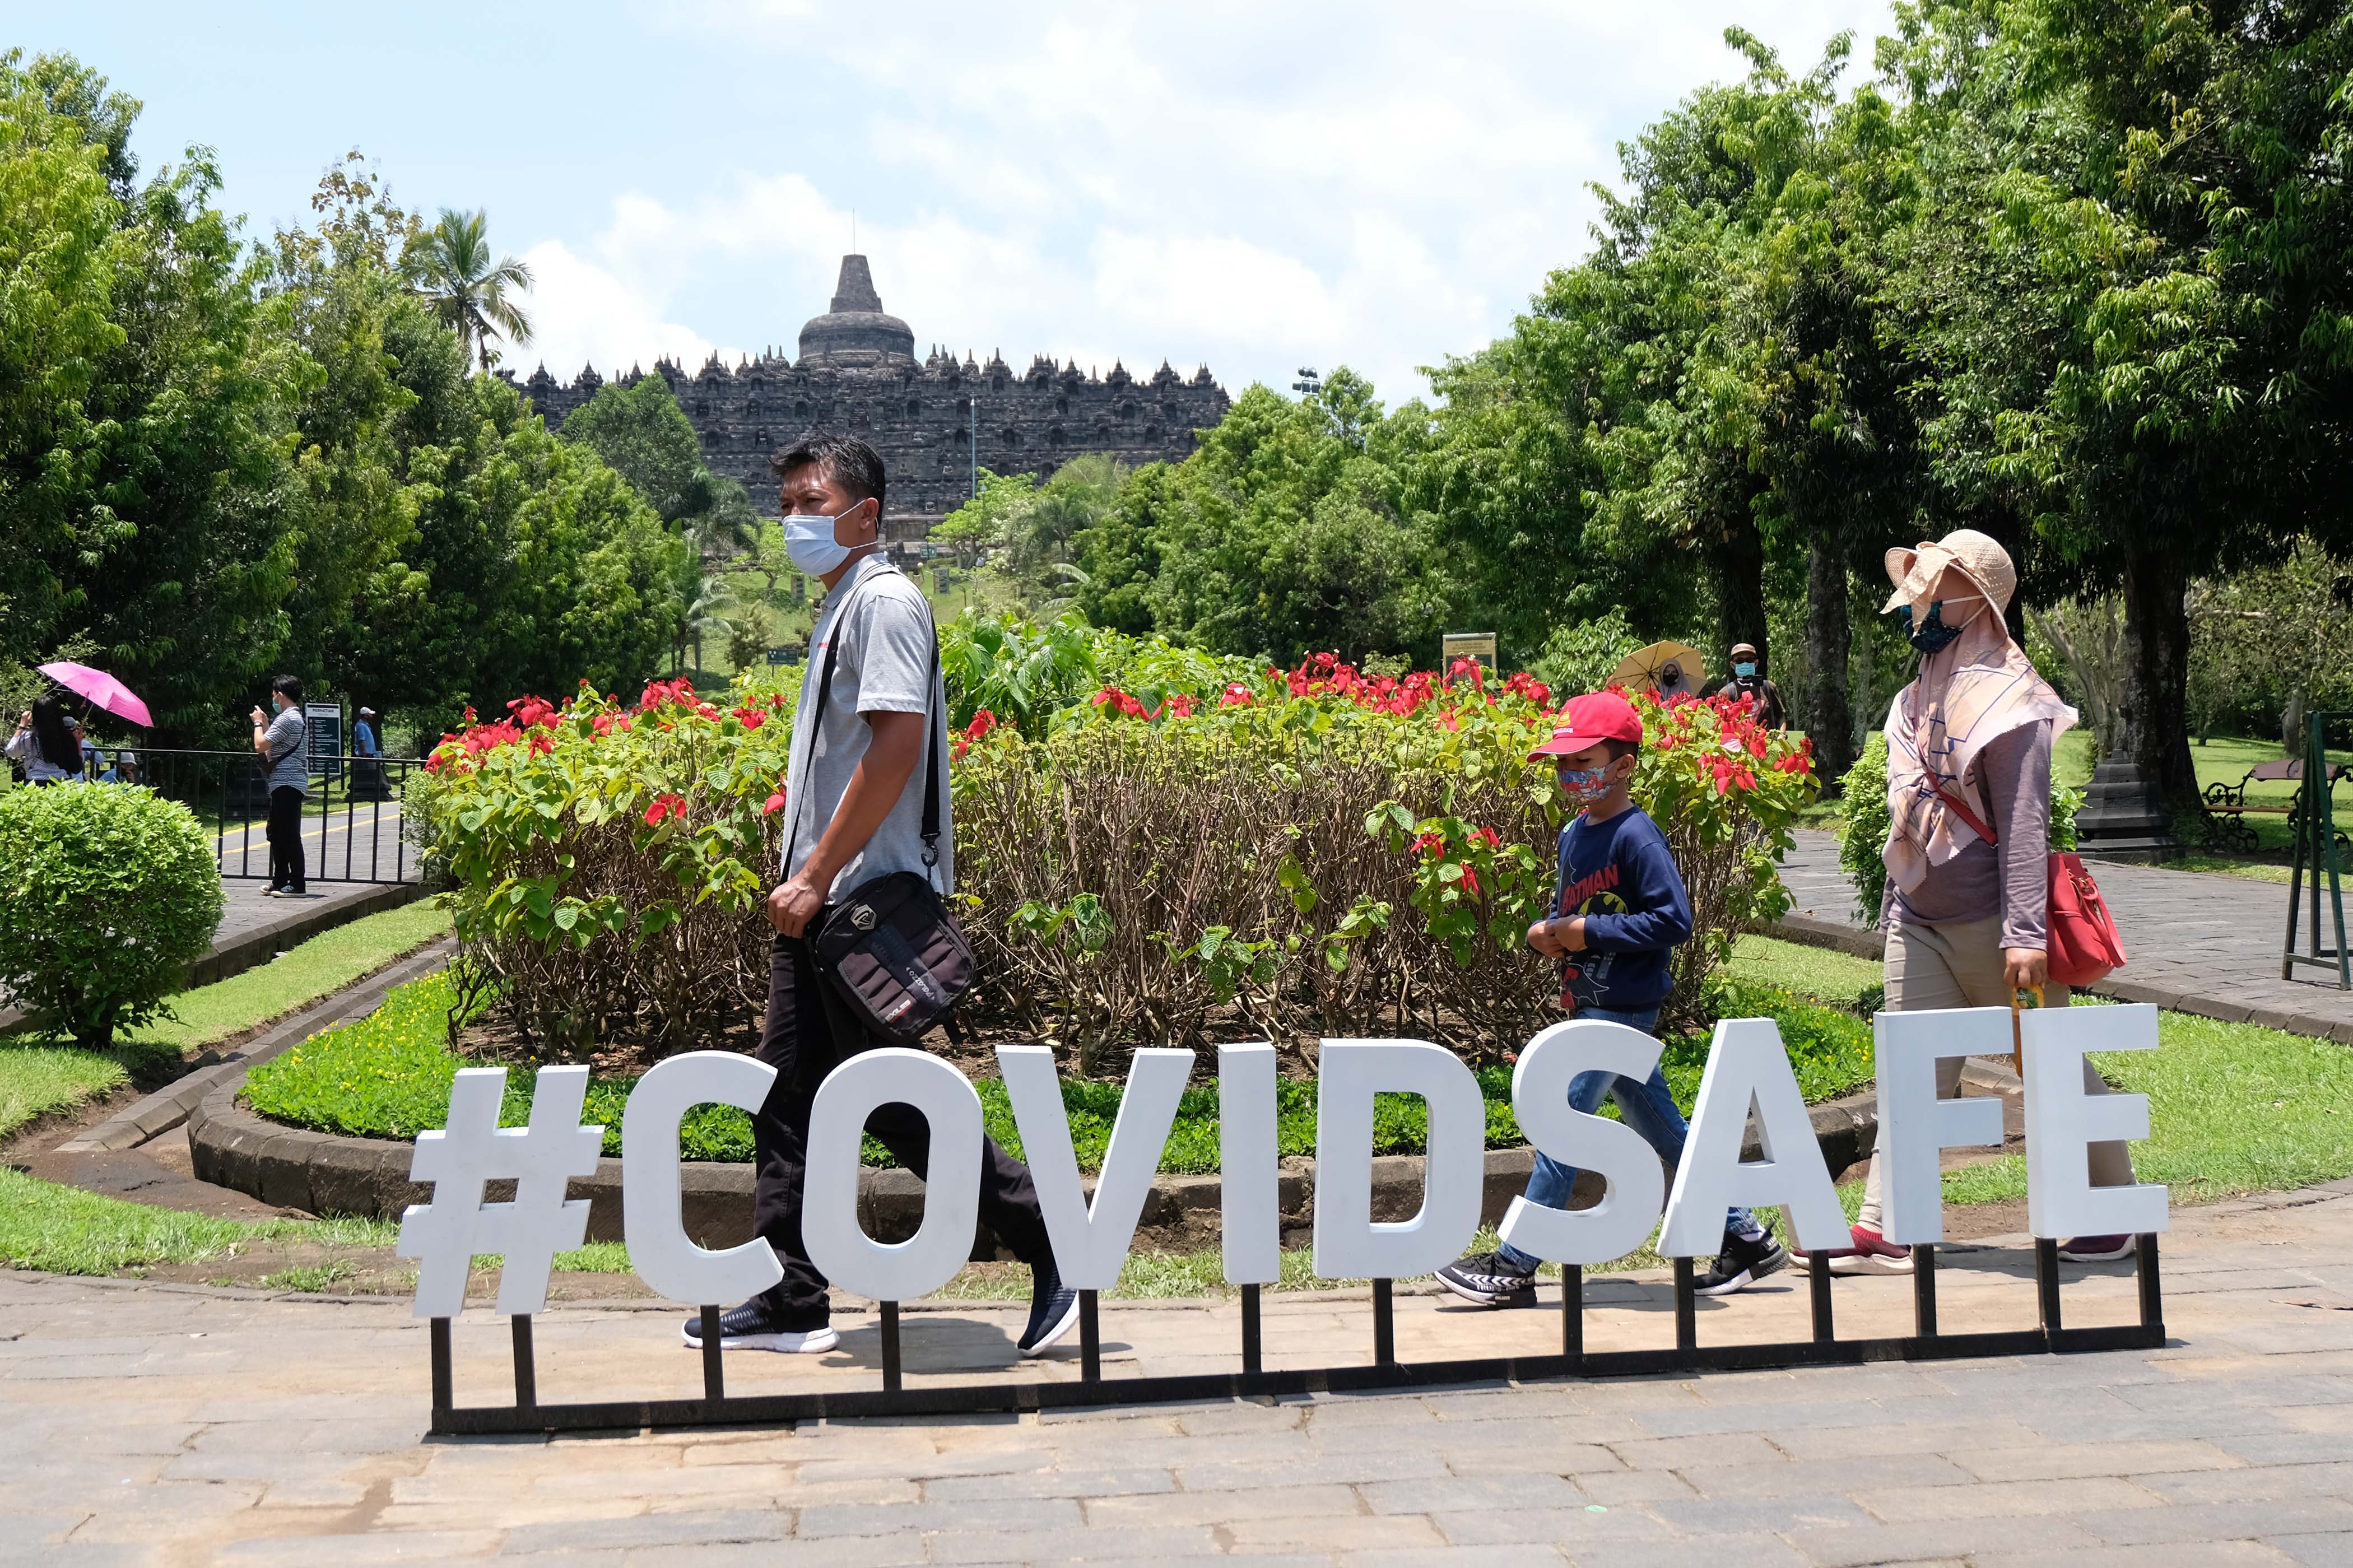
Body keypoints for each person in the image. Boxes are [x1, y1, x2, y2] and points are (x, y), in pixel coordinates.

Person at [685, 432, 1078, 1360]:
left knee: (889, 1100)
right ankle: (794, 1293)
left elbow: (897, 747)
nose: (792, 520)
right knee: (792, 1094)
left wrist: (816, 871)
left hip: (854, 901)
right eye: (783, 502)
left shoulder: (886, 602)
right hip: (822, 903)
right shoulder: (842, 605)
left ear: (865, 513)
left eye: (810, 502)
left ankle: (1053, 1236)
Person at [1794, 529, 2138, 1274]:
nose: (1919, 603)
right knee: (1909, 1070)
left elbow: (2024, 820)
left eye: (1934, 590)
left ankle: (2114, 1206)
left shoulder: (2014, 701)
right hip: (1921, 916)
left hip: (1995, 925)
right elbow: (1908, 812)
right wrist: (1897, 903)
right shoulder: (1919, 691)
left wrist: (2024, 932)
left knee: (2050, 1064)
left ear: (1974, 600)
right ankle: (1889, 1223)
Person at [1436, 690, 1789, 1307]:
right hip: (1590, 1002)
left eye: (1584, 760)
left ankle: (1515, 1265)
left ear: (1624, 764)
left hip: (1624, 1006)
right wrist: (1550, 933)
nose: (1571, 773)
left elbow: (1673, 920)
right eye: (1563, 763)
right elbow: (1569, 909)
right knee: (1665, 1131)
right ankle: (1747, 1235)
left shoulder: (1637, 836)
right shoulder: (1575, 834)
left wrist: (1586, 932)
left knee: (1567, 1122)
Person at [251, 676, 309, 897]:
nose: (272, 697)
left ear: (280, 695)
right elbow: (270, 751)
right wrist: (266, 723)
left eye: (274, 693)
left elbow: (259, 745)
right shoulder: (290, 718)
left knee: (288, 835)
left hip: (288, 782)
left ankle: (297, 884)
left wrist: (257, 723)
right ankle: (280, 880)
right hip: (284, 782)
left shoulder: (289, 719)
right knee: (276, 833)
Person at [7, 695, 83, 785]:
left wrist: (22, 726)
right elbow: (76, 768)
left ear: (35, 714)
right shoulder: (66, 736)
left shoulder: (28, 736)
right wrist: (78, 742)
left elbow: (11, 751)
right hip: (60, 784)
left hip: (34, 783)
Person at [1714, 642, 1788, 730]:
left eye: (1749, 660)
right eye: (1740, 661)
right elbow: (1720, 722)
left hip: (1767, 742)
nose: (1745, 664)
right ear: (1733, 665)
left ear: (1756, 663)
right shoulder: (1726, 693)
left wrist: (1782, 735)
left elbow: (1781, 716)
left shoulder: (1768, 687)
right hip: (1740, 742)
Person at [350, 705, 389, 800]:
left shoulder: (366, 725)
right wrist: (364, 752)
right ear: (365, 715)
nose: (371, 716)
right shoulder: (361, 726)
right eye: (369, 715)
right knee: (366, 772)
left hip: (371, 753)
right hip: (365, 754)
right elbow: (362, 739)